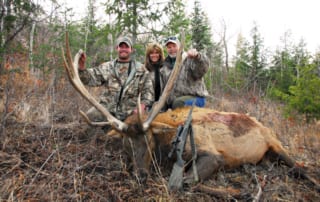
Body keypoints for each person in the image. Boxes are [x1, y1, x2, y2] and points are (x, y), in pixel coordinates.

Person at [78, 36, 154, 122]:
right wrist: (82, 66)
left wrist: (141, 108)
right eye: (121, 47)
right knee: (88, 118)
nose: (124, 49)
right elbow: (89, 79)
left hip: (130, 113)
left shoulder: (141, 70)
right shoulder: (107, 67)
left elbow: (148, 93)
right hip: (107, 110)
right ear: (117, 48)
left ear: (131, 50)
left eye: (127, 47)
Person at [161, 36, 209, 109]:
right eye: (169, 47)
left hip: (195, 98)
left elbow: (202, 69)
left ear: (180, 47)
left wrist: (198, 57)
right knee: (160, 107)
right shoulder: (164, 66)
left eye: (174, 46)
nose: (172, 49)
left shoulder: (190, 59)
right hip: (173, 100)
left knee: (178, 103)